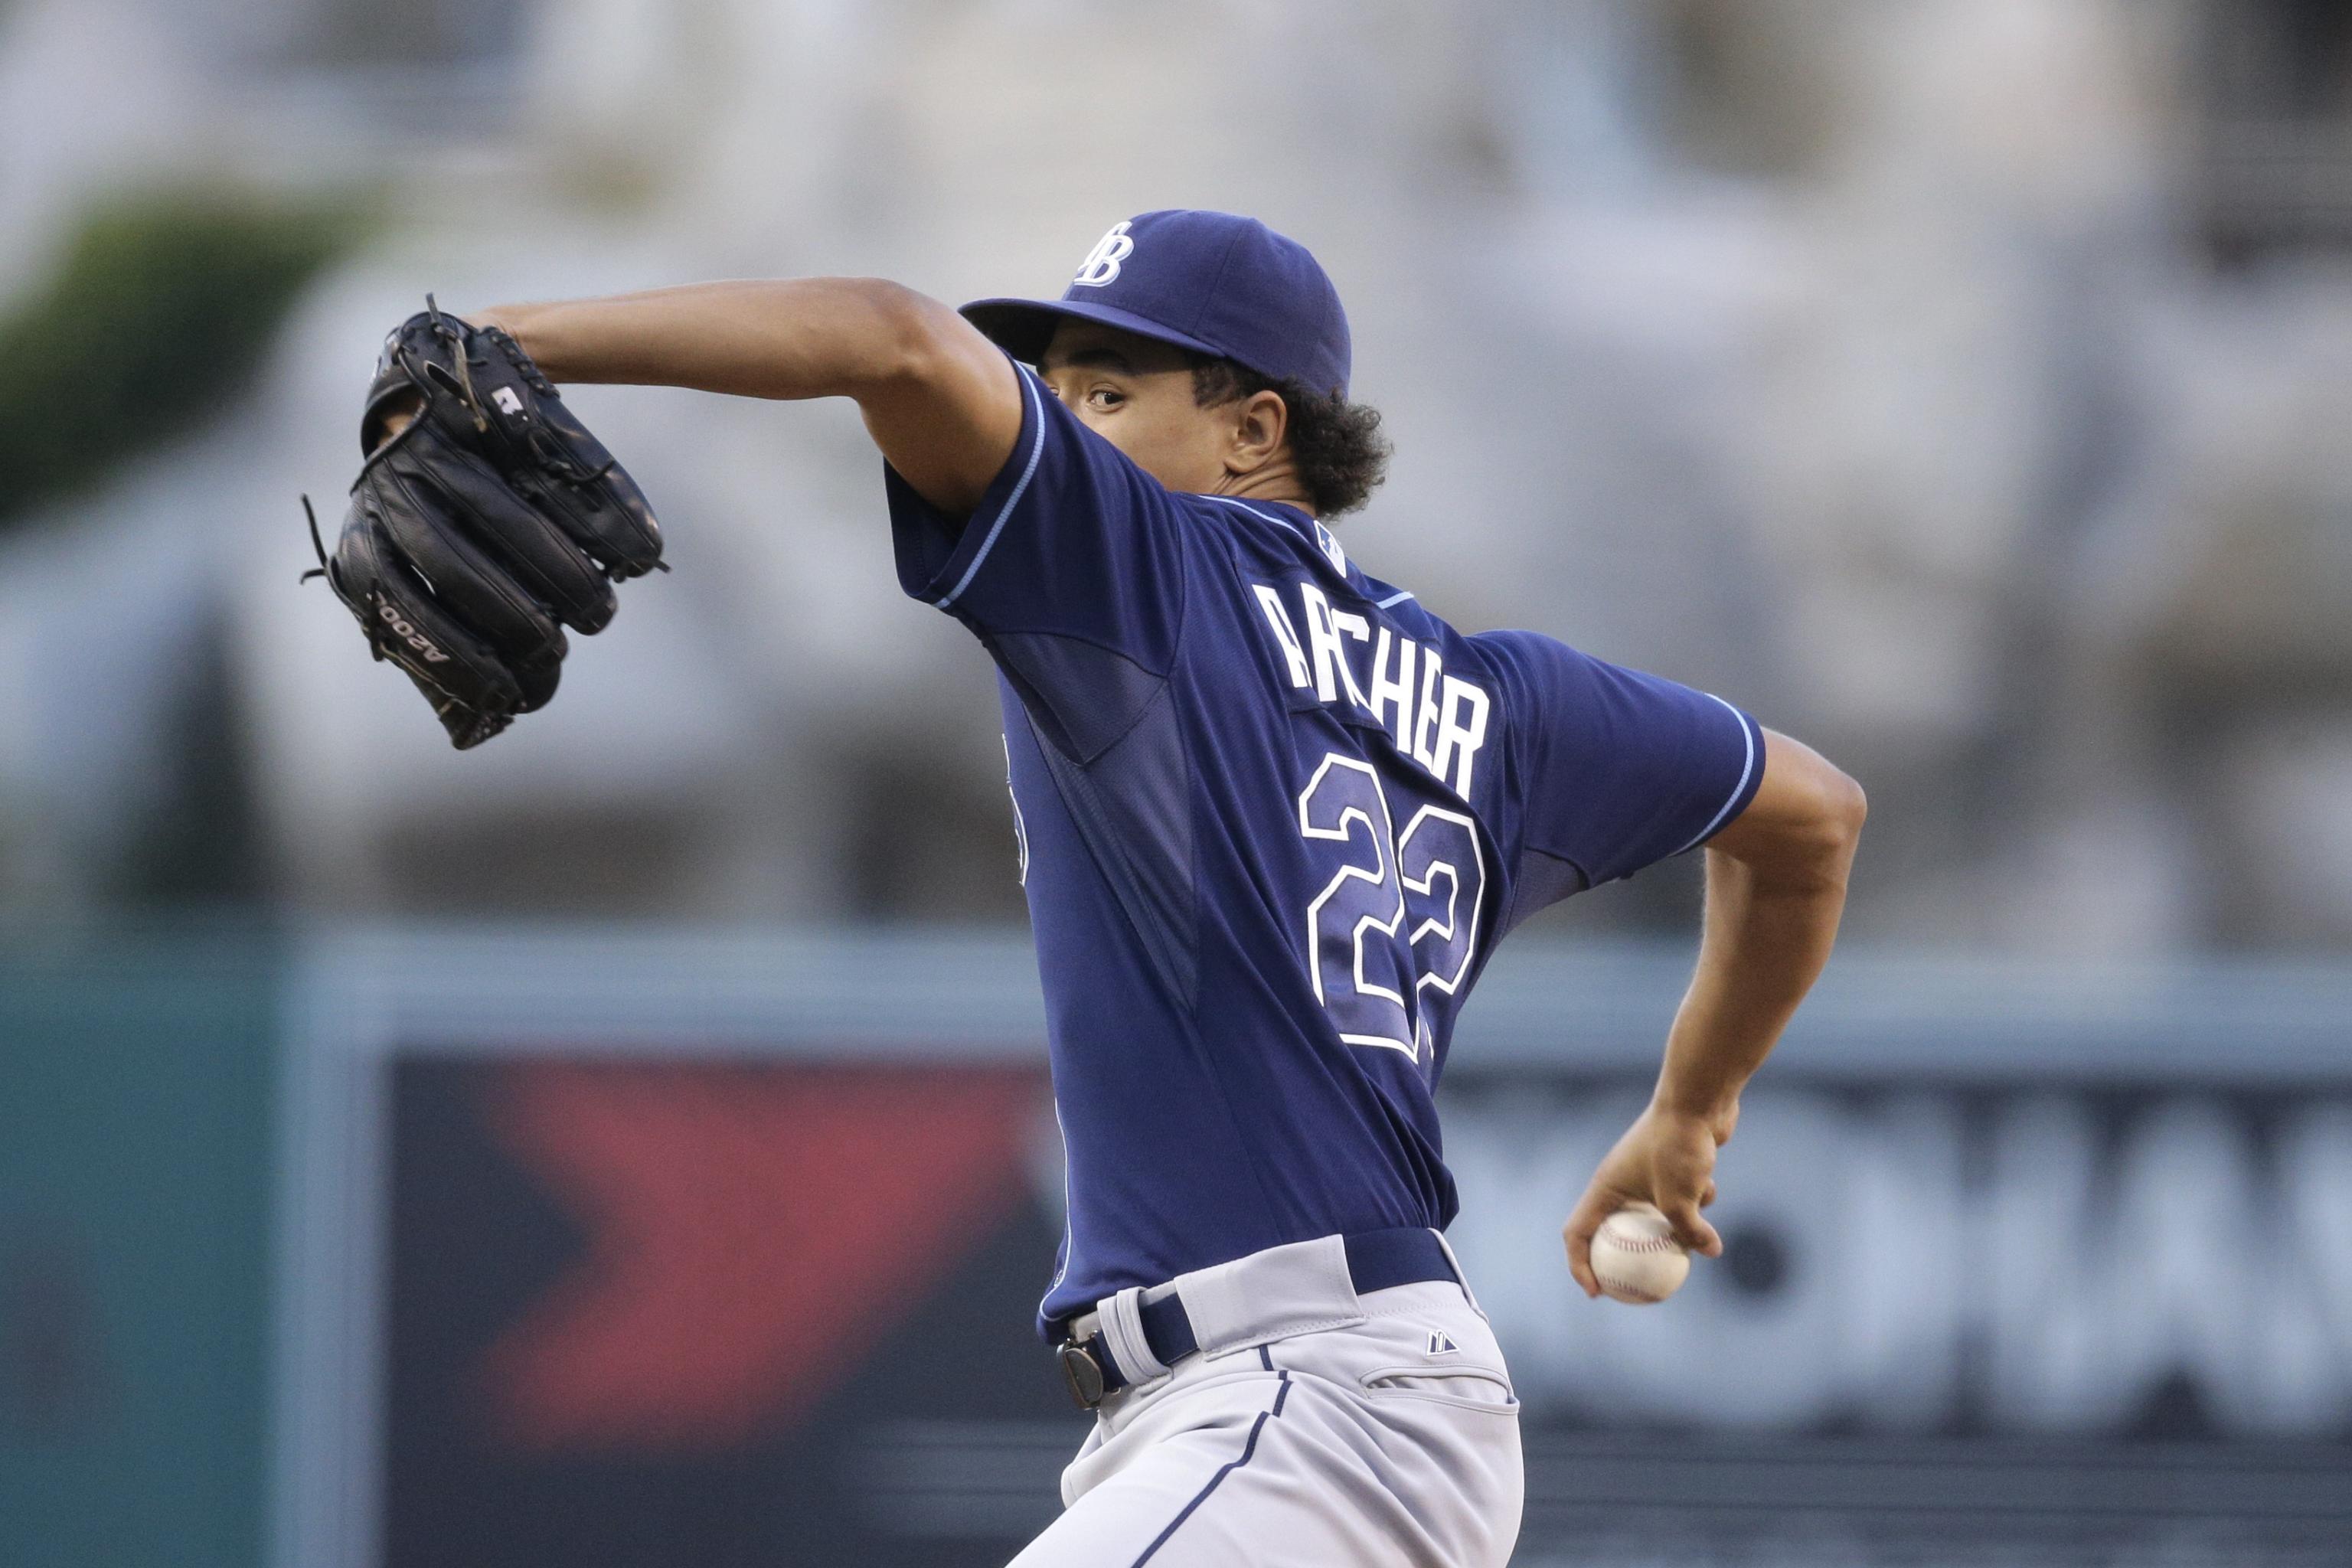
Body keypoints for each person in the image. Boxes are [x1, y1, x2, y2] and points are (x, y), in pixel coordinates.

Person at [434, 209, 1865, 1567]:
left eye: (1108, 392)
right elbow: (1811, 817)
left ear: (1255, 431)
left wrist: (499, 334)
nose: (1061, 423)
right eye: (1055, 388)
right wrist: (1691, 1112)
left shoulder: (1151, 570)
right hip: (1302, 1413)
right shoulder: (1505, 702)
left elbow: (890, 335)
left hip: (1306, 1409)